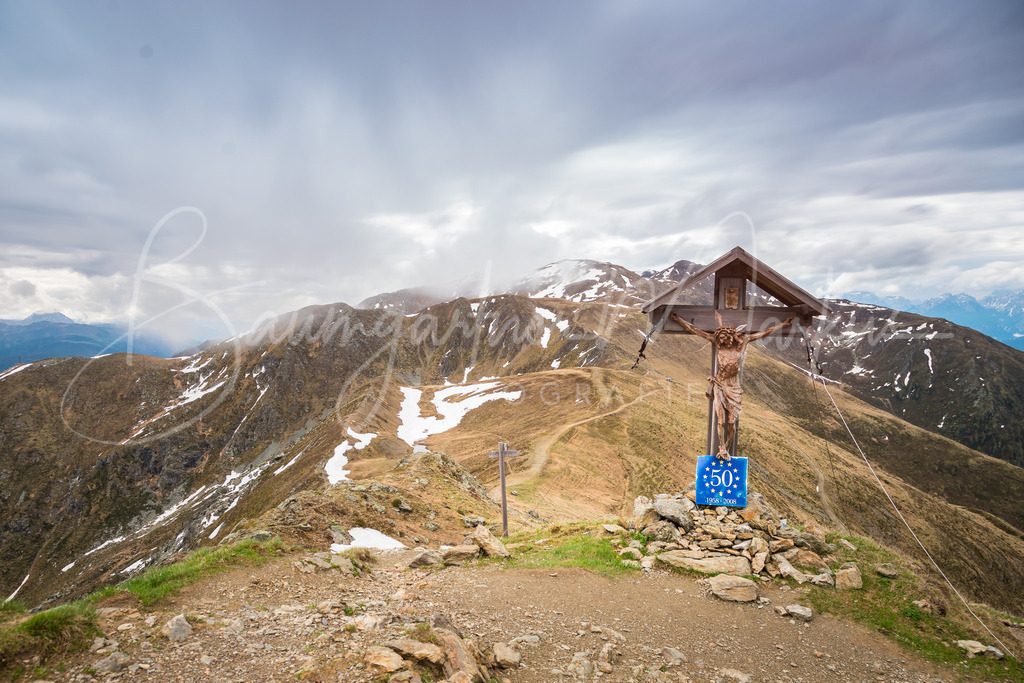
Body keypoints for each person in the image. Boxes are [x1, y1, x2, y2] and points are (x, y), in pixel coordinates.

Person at [670, 311, 794, 460]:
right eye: (719, 339)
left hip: (734, 388)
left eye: (723, 338)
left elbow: (765, 332)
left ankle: (727, 447)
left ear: (729, 336)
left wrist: (784, 324)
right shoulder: (717, 344)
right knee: (721, 421)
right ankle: (721, 448)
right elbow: (695, 330)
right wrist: (679, 321)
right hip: (719, 385)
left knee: (731, 422)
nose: (721, 341)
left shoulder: (743, 342)